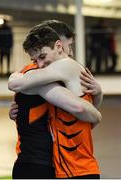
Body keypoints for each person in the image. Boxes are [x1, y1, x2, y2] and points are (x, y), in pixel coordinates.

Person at [8, 23, 102, 179]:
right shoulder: (63, 73)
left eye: (42, 57)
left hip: (76, 167)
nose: (40, 65)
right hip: (69, 166)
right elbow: (85, 113)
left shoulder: (64, 66)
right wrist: (98, 95)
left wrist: (14, 76)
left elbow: (16, 84)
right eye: (35, 60)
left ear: (58, 45)